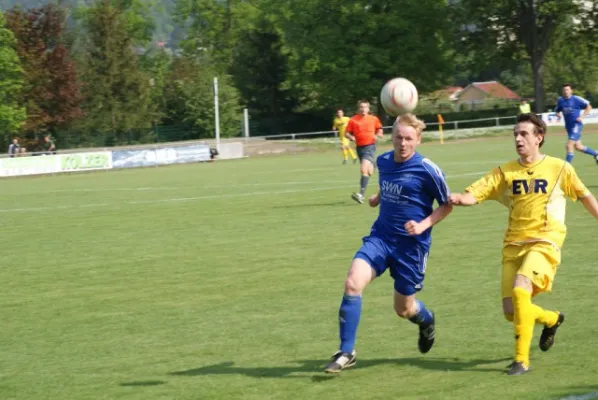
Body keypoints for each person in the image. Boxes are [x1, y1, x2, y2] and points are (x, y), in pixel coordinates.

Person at [449, 113, 598, 376]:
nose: (518, 138)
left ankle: (521, 361)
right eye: (515, 134)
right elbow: (475, 193)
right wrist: (459, 197)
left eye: (524, 134)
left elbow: (586, 197)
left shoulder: (560, 168)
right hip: (512, 246)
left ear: (539, 138)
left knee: (521, 291)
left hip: (544, 242)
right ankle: (552, 319)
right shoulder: (505, 171)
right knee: (511, 312)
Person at [325, 114, 453, 374]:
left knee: (403, 309)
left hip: (411, 248)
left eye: (408, 138)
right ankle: (346, 351)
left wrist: (423, 225)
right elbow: (389, 184)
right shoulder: (384, 161)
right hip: (381, 238)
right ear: (391, 136)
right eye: (398, 137)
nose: (403, 143)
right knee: (352, 283)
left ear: (418, 140)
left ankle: (426, 321)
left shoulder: (428, 168)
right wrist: (378, 197)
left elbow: (447, 205)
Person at [344, 100, 383, 204]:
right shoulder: (353, 120)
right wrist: (351, 137)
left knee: (363, 169)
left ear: (368, 109)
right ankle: (374, 164)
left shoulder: (373, 119)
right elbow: (346, 133)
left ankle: (361, 195)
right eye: (361, 107)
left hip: (370, 146)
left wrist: (378, 134)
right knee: (368, 171)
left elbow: (380, 129)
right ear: (358, 108)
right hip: (359, 148)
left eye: (365, 107)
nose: (363, 109)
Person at [554, 84, 596, 164]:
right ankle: (596, 154)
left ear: (571, 91)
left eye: (567, 90)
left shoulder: (576, 99)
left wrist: (582, 116)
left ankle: (567, 166)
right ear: (562, 91)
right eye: (564, 90)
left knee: (569, 145)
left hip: (576, 125)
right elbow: (557, 109)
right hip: (569, 127)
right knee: (578, 147)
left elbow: (589, 106)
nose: (566, 91)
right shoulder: (561, 100)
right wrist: (557, 113)